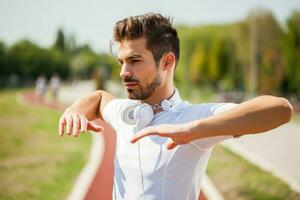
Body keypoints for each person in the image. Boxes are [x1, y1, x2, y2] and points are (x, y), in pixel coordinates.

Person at [58, 13, 293, 200]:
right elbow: (99, 98)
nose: (123, 72)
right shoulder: (126, 114)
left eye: (134, 61)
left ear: (167, 61)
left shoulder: (194, 117)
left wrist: (194, 130)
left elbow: (280, 109)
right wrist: (75, 109)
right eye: (122, 62)